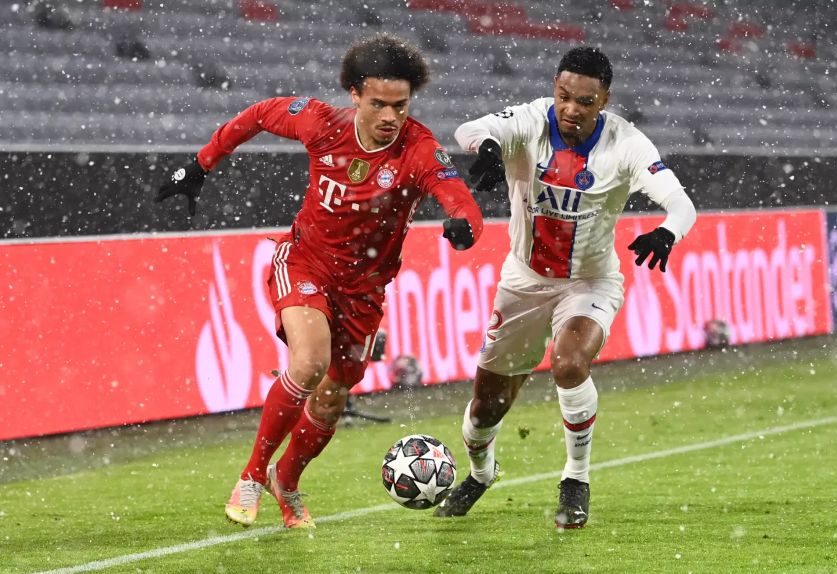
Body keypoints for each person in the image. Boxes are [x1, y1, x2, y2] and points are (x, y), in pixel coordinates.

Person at [155, 33, 483, 529]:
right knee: (309, 362)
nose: (390, 116)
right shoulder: (321, 122)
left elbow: (458, 197)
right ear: (354, 94)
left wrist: (464, 226)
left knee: (331, 398)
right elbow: (262, 113)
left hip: (364, 290)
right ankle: (251, 475)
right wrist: (201, 164)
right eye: (379, 104)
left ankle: (286, 481)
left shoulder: (417, 149)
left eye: (400, 104)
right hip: (305, 261)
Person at [434, 46, 696, 528]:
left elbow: (682, 205)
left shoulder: (627, 143)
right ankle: (481, 472)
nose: (572, 109)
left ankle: (576, 479)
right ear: (555, 89)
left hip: (590, 280)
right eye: (564, 96)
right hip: (524, 281)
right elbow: (470, 130)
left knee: (569, 363)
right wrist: (489, 148)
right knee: (485, 409)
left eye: (586, 101)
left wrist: (666, 232)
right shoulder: (531, 120)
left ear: (605, 100)